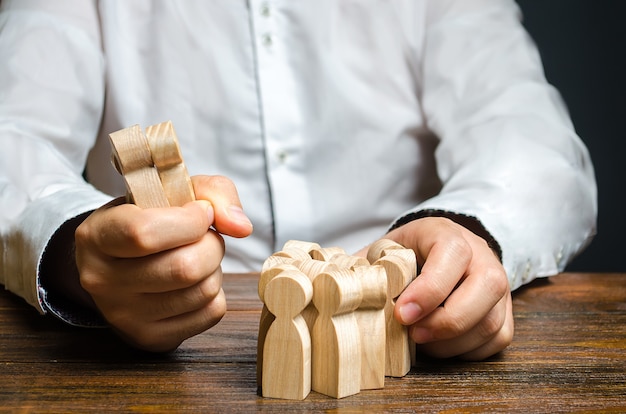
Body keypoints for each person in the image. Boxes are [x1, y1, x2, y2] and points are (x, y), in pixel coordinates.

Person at [0, 1, 596, 359]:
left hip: (400, 329)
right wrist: (77, 249)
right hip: (163, 353)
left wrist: (465, 233)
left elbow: (531, 137)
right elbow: (12, 136)